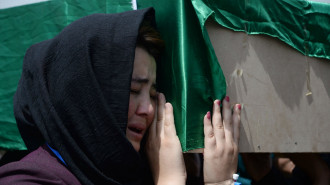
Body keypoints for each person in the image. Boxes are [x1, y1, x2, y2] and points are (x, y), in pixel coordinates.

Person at [0, 7, 241, 185]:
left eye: (154, 94)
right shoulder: (26, 179)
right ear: (85, 97)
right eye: (133, 91)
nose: (148, 109)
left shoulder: (135, 175)